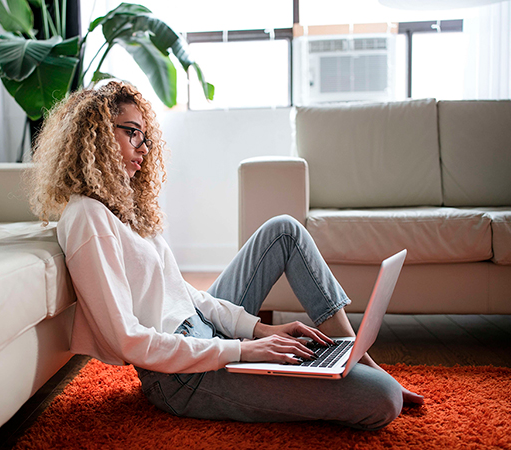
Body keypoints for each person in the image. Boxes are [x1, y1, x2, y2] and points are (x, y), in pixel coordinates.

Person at [29, 81, 423, 431]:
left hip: (203, 332)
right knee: (383, 398)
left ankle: (353, 353)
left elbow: (184, 294)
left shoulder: (123, 208)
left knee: (283, 230)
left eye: (145, 138)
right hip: (179, 376)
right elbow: (129, 341)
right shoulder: (87, 217)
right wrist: (241, 350)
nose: (143, 149)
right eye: (132, 133)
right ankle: (358, 369)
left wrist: (258, 331)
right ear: (95, 134)